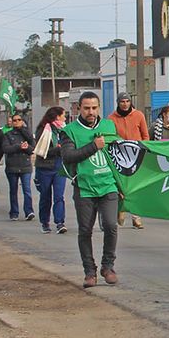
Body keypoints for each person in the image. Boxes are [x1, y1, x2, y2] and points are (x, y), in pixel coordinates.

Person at [60, 91, 122, 288]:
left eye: (94, 108)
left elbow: (118, 154)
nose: (91, 112)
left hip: (108, 185)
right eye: (86, 108)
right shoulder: (69, 130)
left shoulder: (109, 126)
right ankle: (89, 270)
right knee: (85, 230)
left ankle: (108, 266)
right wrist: (94, 146)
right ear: (79, 108)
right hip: (84, 187)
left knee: (111, 226)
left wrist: (122, 184)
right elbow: (68, 156)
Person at [109, 94, 150, 229]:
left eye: (127, 101)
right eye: (122, 102)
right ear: (118, 103)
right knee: (121, 186)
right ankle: (121, 210)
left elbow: (145, 136)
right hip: (120, 156)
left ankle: (136, 217)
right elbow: (109, 137)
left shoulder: (139, 115)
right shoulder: (111, 118)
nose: (125, 104)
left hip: (136, 155)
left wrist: (145, 150)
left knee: (136, 186)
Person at [33, 106, 69, 235]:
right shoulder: (43, 129)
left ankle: (60, 222)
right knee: (45, 196)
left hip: (59, 167)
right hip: (45, 167)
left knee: (59, 196)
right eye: (63, 115)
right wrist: (58, 149)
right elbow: (41, 150)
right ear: (57, 116)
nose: (65, 118)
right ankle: (45, 222)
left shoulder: (64, 129)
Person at [2, 112, 36, 222]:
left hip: (25, 166)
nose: (17, 122)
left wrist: (26, 148)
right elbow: (6, 149)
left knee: (27, 190)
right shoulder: (8, 135)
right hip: (12, 166)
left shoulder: (28, 134)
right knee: (13, 190)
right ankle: (14, 212)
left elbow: (33, 149)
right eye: (14, 120)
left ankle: (29, 211)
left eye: (19, 120)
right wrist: (18, 146)